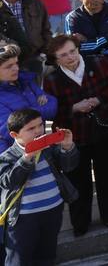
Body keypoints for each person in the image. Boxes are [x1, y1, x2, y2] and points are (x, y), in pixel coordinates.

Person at [43, 34, 108, 235]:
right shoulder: (51, 79)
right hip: (73, 137)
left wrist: (98, 100)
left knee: (107, 176)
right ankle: (80, 223)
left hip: (104, 130)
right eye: (63, 55)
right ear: (55, 59)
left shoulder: (99, 62)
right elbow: (52, 113)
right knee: (78, 182)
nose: (71, 57)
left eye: (72, 51)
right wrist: (73, 108)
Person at [0, 108, 79, 266]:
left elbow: (69, 166)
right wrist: (27, 157)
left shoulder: (48, 149)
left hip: (53, 210)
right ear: (15, 135)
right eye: (31, 128)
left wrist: (67, 147)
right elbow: (9, 181)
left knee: (47, 256)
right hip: (24, 217)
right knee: (19, 259)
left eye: (40, 125)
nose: (38, 131)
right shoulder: (6, 156)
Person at [0, 45, 55, 150]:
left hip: (45, 145)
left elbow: (53, 104)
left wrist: (25, 114)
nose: (16, 68)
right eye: (8, 66)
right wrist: (37, 108)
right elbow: (11, 131)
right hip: (20, 155)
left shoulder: (25, 81)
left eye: (16, 63)